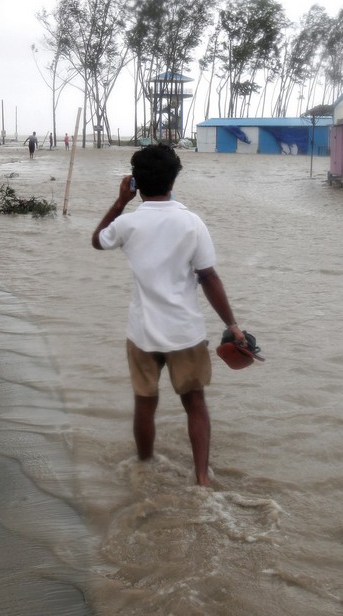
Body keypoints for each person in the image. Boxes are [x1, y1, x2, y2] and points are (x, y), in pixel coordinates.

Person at [91, 144, 248, 487]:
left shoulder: (128, 223)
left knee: (145, 404)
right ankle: (202, 479)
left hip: (143, 333)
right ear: (174, 178)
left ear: (135, 182)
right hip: (185, 333)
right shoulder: (192, 223)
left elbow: (97, 241)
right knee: (195, 405)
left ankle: (143, 468)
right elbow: (209, 277)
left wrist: (120, 202)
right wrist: (232, 325)